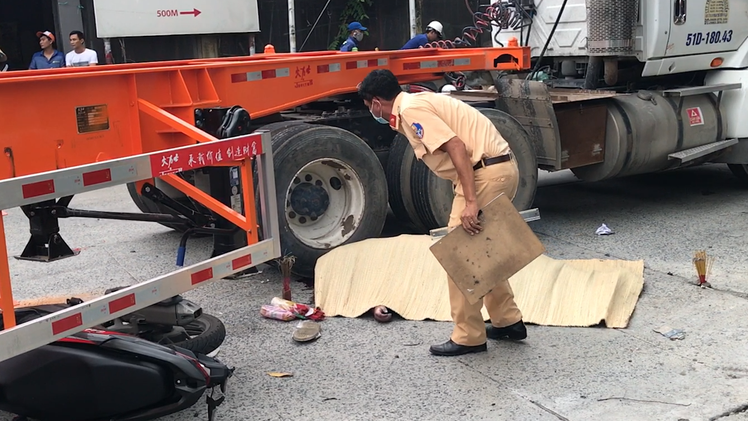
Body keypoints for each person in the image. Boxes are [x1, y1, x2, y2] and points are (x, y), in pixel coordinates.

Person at [357, 69, 527, 357]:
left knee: (458, 254)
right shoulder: (416, 104)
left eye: (368, 106)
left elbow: (456, 146)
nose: (371, 112)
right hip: (497, 169)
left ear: (375, 102)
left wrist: (470, 202)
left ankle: (469, 336)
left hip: (484, 174)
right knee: (483, 251)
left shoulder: (411, 110)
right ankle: (508, 320)